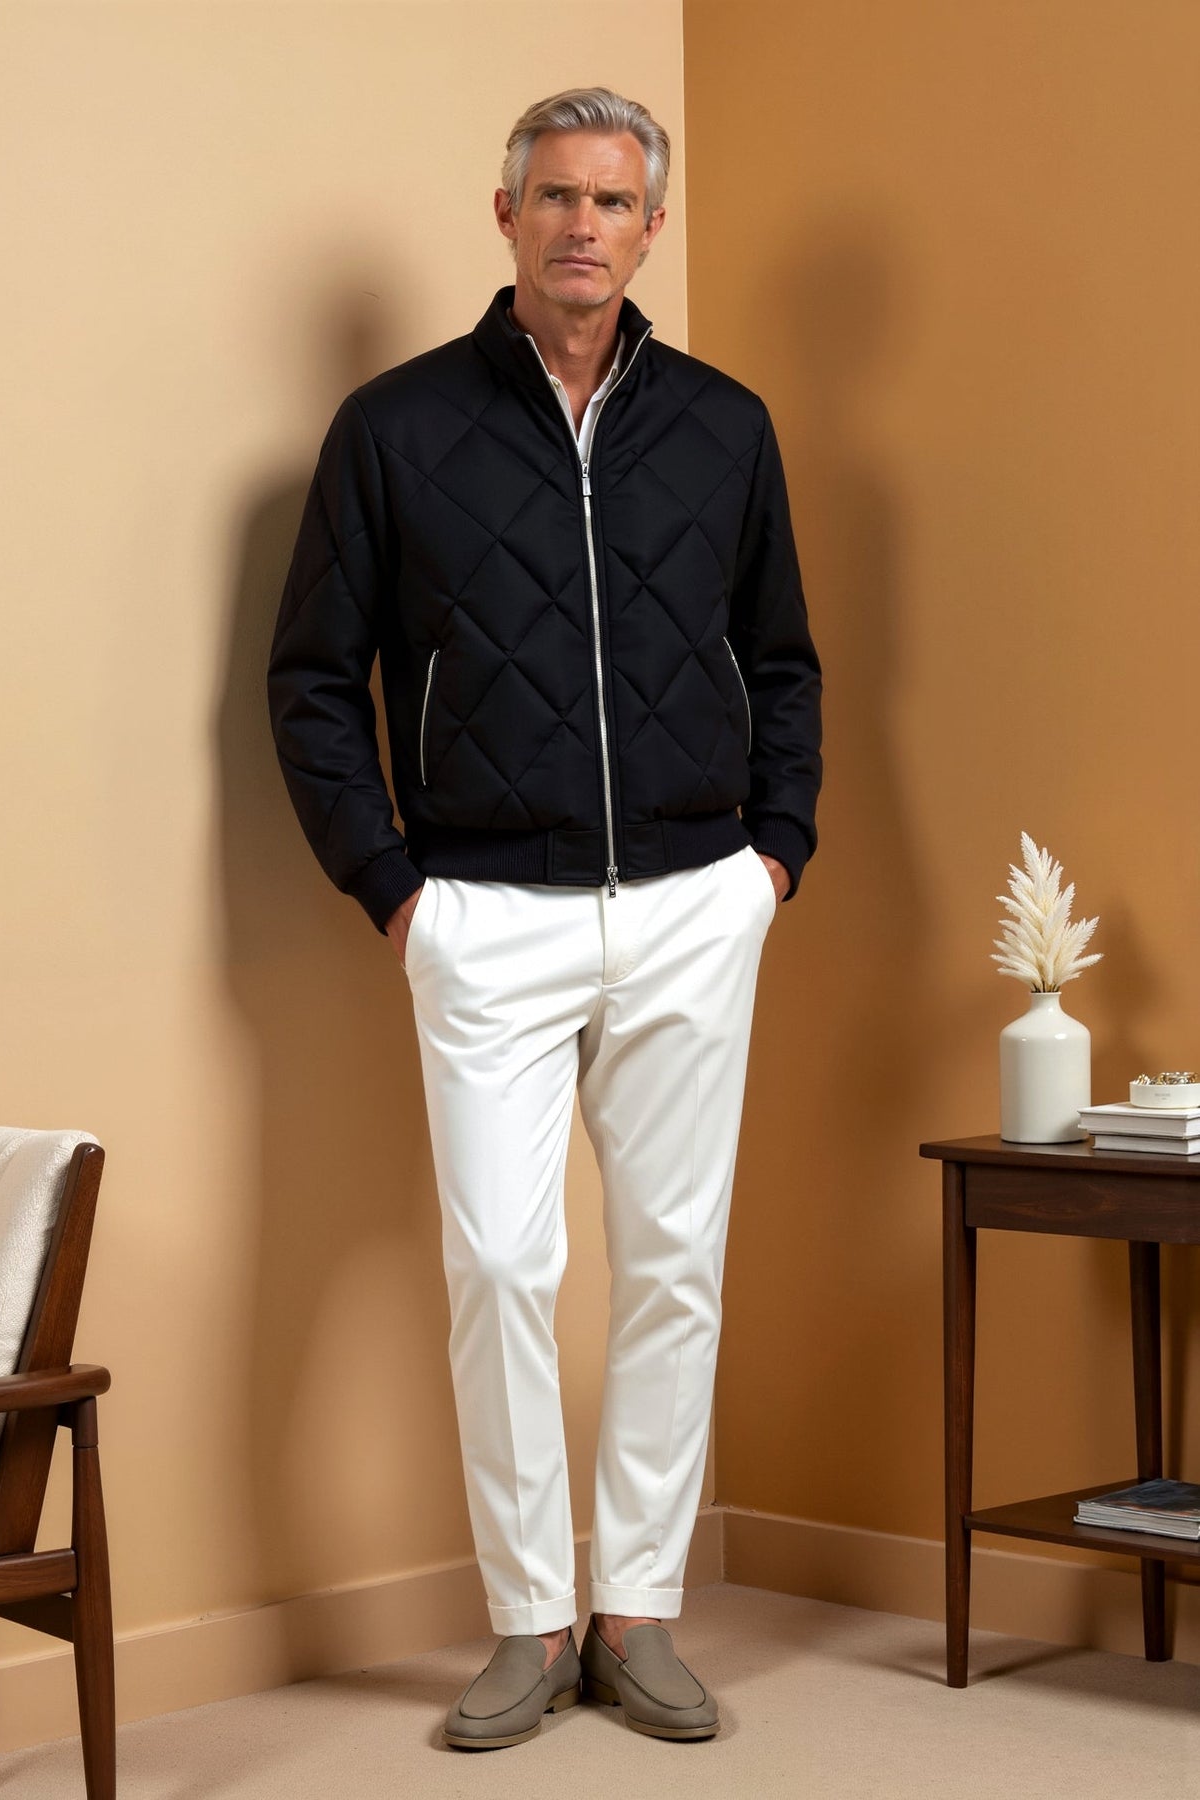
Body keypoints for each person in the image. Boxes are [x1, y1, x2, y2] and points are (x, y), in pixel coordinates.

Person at [268, 86, 822, 1749]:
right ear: (504, 215)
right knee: (502, 1264)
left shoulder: (723, 426)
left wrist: (770, 859)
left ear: (652, 226)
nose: (585, 225)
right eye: (557, 197)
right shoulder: (393, 426)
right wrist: (393, 891)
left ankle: (633, 1611)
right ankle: (525, 1618)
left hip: (692, 901)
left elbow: (782, 658)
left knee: (673, 1267)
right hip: (481, 912)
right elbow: (312, 680)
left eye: (614, 201)